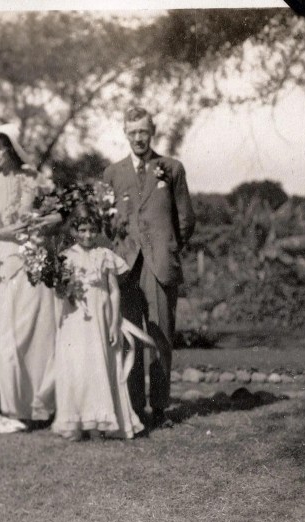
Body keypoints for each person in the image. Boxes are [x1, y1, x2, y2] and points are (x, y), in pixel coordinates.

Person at [102, 106, 196, 428]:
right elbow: (107, 221)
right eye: (133, 132)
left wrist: (169, 248)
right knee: (131, 337)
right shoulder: (113, 173)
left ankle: (159, 407)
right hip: (126, 267)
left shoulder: (171, 168)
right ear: (125, 133)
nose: (138, 137)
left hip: (159, 265)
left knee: (159, 336)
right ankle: (133, 408)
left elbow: (185, 220)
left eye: (144, 131)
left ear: (152, 131)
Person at [0, 123, 63, 425]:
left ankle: (42, 402)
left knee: (38, 330)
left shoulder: (33, 181)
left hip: (33, 258)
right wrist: (4, 231)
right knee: (5, 332)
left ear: (13, 150)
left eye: (1, 148)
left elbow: (58, 213)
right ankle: (14, 405)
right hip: (2, 261)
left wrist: (40, 226)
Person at [50, 205, 144, 441]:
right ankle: (77, 421)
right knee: (77, 367)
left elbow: (113, 291)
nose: (88, 235)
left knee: (99, 364)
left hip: (100, 319)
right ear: (74, 230)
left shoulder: (105, 255)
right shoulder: (65, 257)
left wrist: (114, 323)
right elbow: (58, 292)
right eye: (82, 230)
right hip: (76, 318)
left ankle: (100, 422)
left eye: (92, 230)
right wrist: (64, 290)